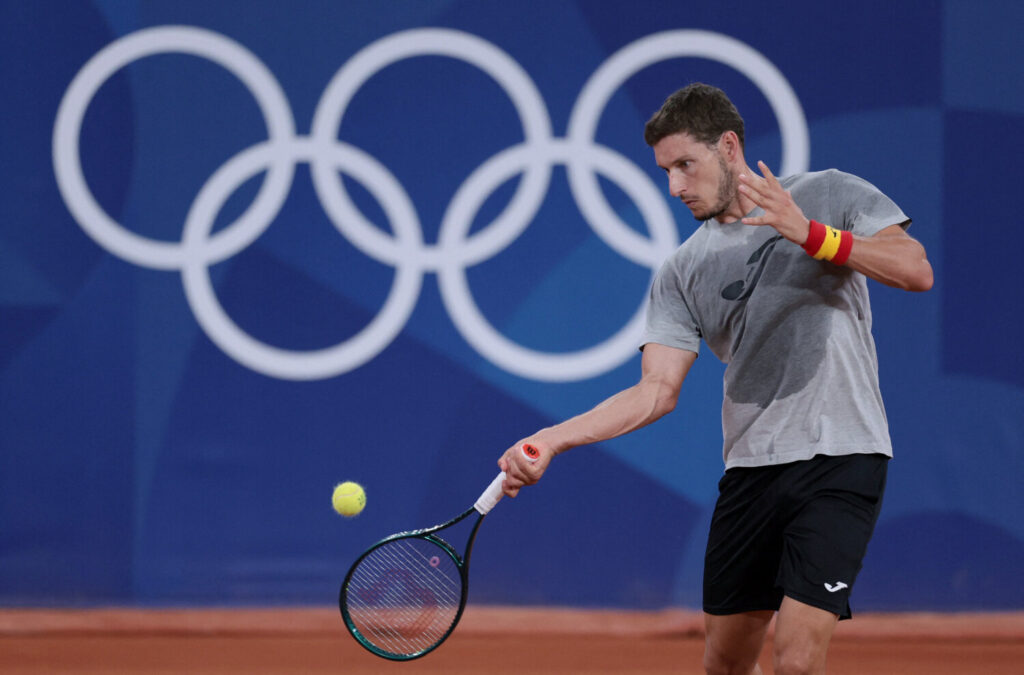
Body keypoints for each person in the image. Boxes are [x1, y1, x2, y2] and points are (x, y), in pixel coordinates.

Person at [498, 83, 933, 675]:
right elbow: (656, 390)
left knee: (798, 662)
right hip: (751, 469)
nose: (675, 186)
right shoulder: (681, 271)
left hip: (843, 454)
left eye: (685, 165)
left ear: (728, 146)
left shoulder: (826, 192)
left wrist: (812, 234)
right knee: (725, 666)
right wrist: (552, 439)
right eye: (665, 171)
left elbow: (914, 269)